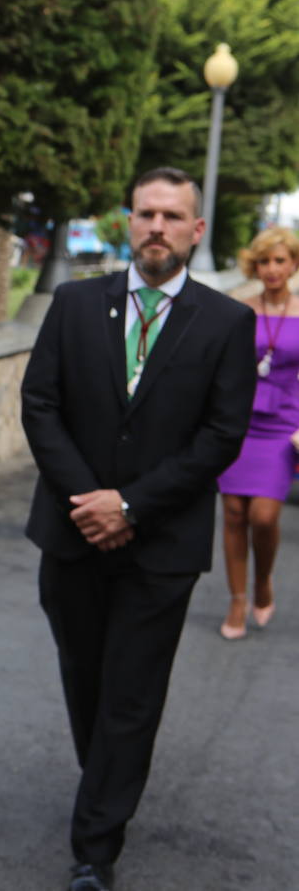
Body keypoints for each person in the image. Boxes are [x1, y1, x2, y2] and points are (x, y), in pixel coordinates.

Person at [20, 166, 256, 891]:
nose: (157, 226)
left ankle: (96, 849)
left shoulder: (226, 322)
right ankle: (109, 782)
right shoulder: (73, 302)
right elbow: (41, 405)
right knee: (85, 677)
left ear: (196, 228)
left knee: (132, 692)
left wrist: (131, 506)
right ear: (130, 222)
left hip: (162, 545)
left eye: (171, 215)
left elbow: (221, 436)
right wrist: (91, 498)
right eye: (146, 213)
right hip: (71, 531)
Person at [215, 227, 299, 638]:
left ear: (294, 264)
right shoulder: (239, 309)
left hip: (286, 423)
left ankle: (263, 580)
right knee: (233, 513)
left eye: (280, 260)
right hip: (240, 421)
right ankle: (237, 600)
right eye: (264, 261)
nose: (271, 269)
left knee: (263, 515)